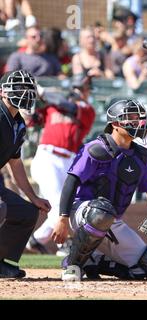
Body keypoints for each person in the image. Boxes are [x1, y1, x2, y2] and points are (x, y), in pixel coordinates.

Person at [51, 98, 147, 281]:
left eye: (138, 118)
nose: (136, 123)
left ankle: (94, 260)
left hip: (111, 221)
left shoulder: (141, 156)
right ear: (115, 123)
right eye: (130, 118)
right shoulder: (95, 149)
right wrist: (62, 219)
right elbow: (71, 182)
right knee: (101, 211)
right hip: (79, 214)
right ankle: (73, 265)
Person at [26, 74, 96, 256]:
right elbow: (32, 119)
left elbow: (69, 106)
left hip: (68, 161)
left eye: (84, 89)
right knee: (59, 204)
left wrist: (43, 92)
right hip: (47, 157)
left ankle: (36, 240)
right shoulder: (52, 107)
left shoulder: (86, 110)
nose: (82, 93)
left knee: (67, 204)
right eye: (79, 89)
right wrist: (35, 101)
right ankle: (61, 245)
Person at [0, 70, 51, 278]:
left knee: (25, 211)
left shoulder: (19, 123)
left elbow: (15, 163)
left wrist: (33, 198)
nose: (24, 92)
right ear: (2, 91)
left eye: (28, 88)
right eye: (19, 87)